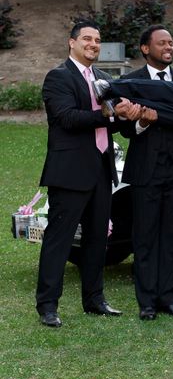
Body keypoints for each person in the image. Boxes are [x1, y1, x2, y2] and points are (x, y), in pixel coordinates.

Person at [36, 20, 138, 327]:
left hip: (101, 169)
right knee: (60, 239)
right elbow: (66, 117)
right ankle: (48, 306)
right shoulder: (58, 77)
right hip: (69, 172)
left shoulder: (104, 78)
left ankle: (94, 300)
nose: (93, 44)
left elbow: (115, 124)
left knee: (98, 240)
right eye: (87, 39)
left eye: (97, 40)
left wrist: (131, 117)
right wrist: (109, 114)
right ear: (72, 42)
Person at [119, 25, 173, 320]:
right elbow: (124, 128)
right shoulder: (130, 82)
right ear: (145, 49)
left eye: (170, 43)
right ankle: (147, 303)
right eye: (161, 43)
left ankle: (169, 299)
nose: (169, 47)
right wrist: (142, 123)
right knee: (145, 237)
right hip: (146, 171)